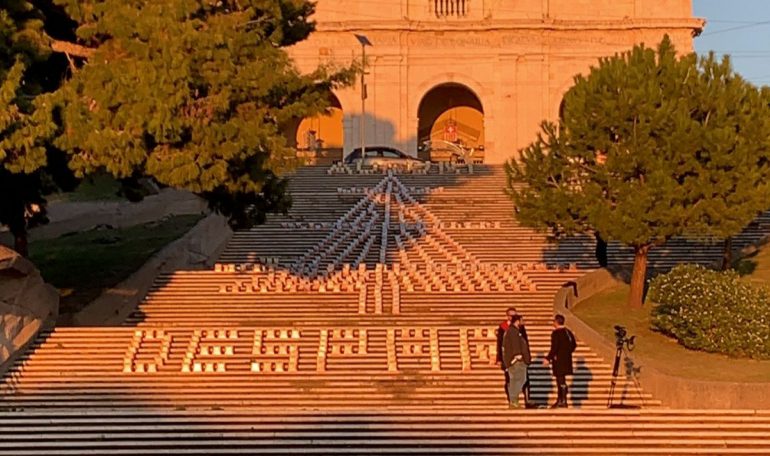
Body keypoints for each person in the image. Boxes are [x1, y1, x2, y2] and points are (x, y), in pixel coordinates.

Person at [497, 307, 532, 407]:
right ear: (507, 316)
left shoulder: (520, 328)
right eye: (511, 315)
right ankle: (512, 401)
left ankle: (527, 400)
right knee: (511, 380)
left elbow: (525, 342)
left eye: (515, 315)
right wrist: (499, 358)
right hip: (512, 359)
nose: (513, 317)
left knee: (525, 380)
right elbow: (500, 344)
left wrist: (527, 356)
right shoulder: (503, 328)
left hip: (521, 358)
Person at [544, 314, 577, 408]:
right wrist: (567, 352)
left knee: (560, 380)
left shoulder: (556, 333)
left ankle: (562, 400)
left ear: (556, 322)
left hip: (558, 360)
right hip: (566, 359)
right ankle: (561, 399)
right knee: (562, 380)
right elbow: (574, 345)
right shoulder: (568, 332)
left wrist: (548, 358)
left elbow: (554, 347)